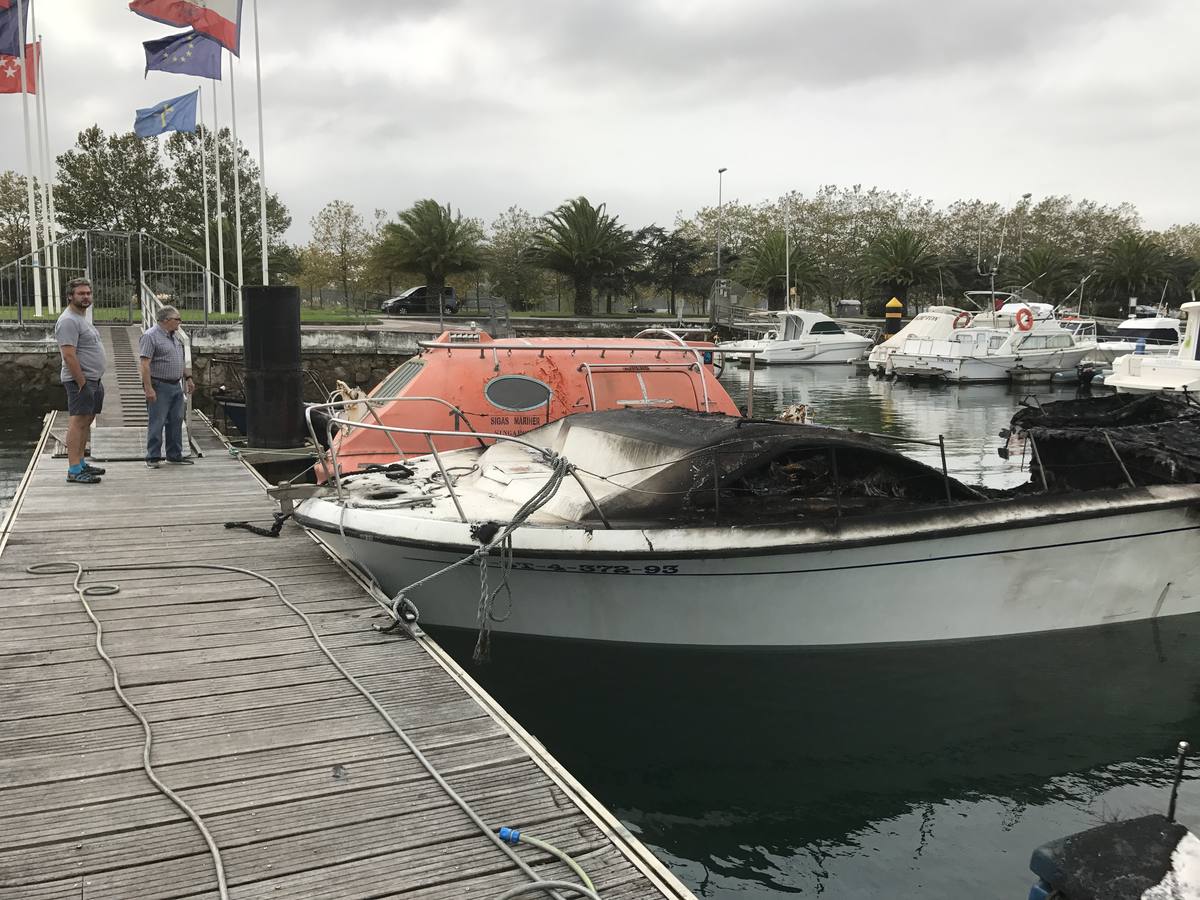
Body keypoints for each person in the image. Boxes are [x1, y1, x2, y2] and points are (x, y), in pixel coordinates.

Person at [55, 277, 107, 485]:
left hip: (93, 379)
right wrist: (82, 382)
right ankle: (74, 469)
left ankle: (81, 462)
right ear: (70, 296)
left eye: (88, 293)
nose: (86, 297)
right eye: (81, 294)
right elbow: (69, 355)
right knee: (77, 422)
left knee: (86, 422)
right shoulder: (68, 320)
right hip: (80, 381)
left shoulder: (81, 318)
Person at [139, 305, 195, 468]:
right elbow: (144, 364)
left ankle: (174, 455)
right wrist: (148, 388)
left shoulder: (174, 336)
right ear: (166, 320)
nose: (180, 322)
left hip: (175, 385)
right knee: (157, 421)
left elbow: (179, 358)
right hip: (159, 385)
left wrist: (188, 377)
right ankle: (153, 457)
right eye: (177, 319)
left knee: (176, 421)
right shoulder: (150, 336)